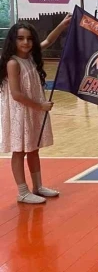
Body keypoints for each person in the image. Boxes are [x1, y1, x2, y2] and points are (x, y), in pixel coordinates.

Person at [0, 16, 71, 204]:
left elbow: (48, 41)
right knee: (19, 151)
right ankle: (22, 192)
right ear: (13, 40)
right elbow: (16, 94)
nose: (26, 42)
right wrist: (40, 106)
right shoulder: (13, 63)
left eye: (29, 38)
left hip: (31, 111)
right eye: (21, 38)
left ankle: (37, 186)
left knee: (33, 149)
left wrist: (61, 26)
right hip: (20, 112)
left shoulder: (30, 57)